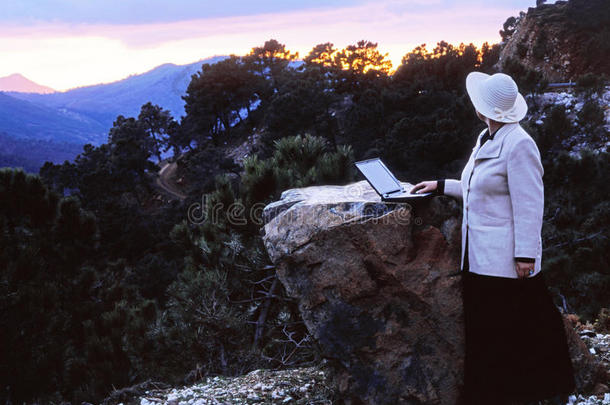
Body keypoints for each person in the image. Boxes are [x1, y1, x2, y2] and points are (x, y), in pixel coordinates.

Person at [411, 72, 576, 405]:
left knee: (502, 334)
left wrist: (525, 255)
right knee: (486, 332)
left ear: (482, 108)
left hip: (504, 261)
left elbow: (530, 204)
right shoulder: (487, 137)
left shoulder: (519, 144)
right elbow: (477, 189)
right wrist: (442, 185)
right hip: (479, 257)